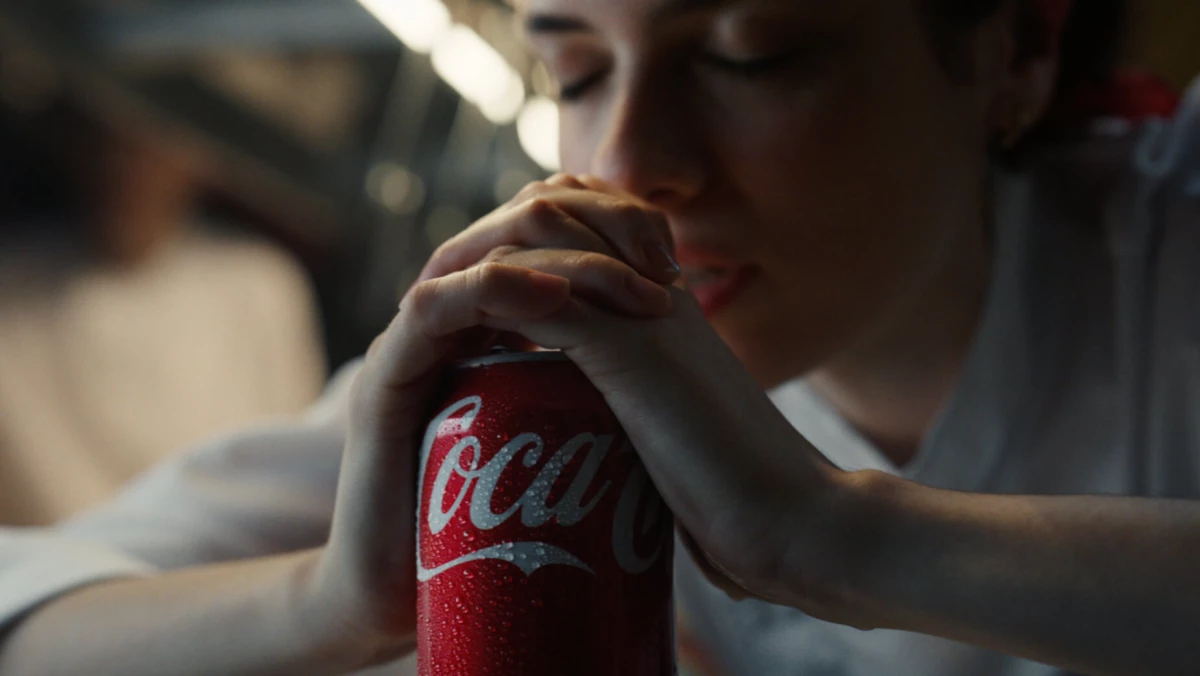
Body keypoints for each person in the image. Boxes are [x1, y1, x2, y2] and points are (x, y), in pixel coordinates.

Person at [0, 0, 1198, 674]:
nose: (625, 163)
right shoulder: (555, 360)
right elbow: (27, 612)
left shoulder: (1169, 248)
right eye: (575, 73)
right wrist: (332, 601)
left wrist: (835, 535)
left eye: (750, 56)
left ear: (1015, 52)